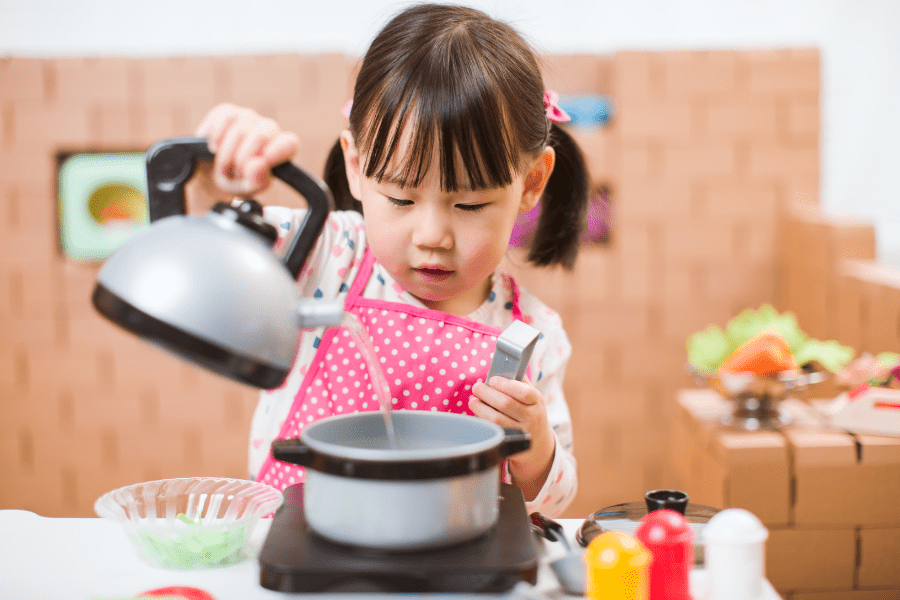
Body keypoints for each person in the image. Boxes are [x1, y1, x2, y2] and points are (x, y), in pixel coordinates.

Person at [190, 3, 589, 516]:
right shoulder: (324, 254)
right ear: (357, 167)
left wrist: (534, 444)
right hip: (304, 550)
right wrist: (210, 180)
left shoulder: (532, 332)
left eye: (469, 205)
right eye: (400, 199)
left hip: (454, 566)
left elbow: (554, 499)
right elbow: (210, 253)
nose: (432, 236)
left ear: (531, 182)